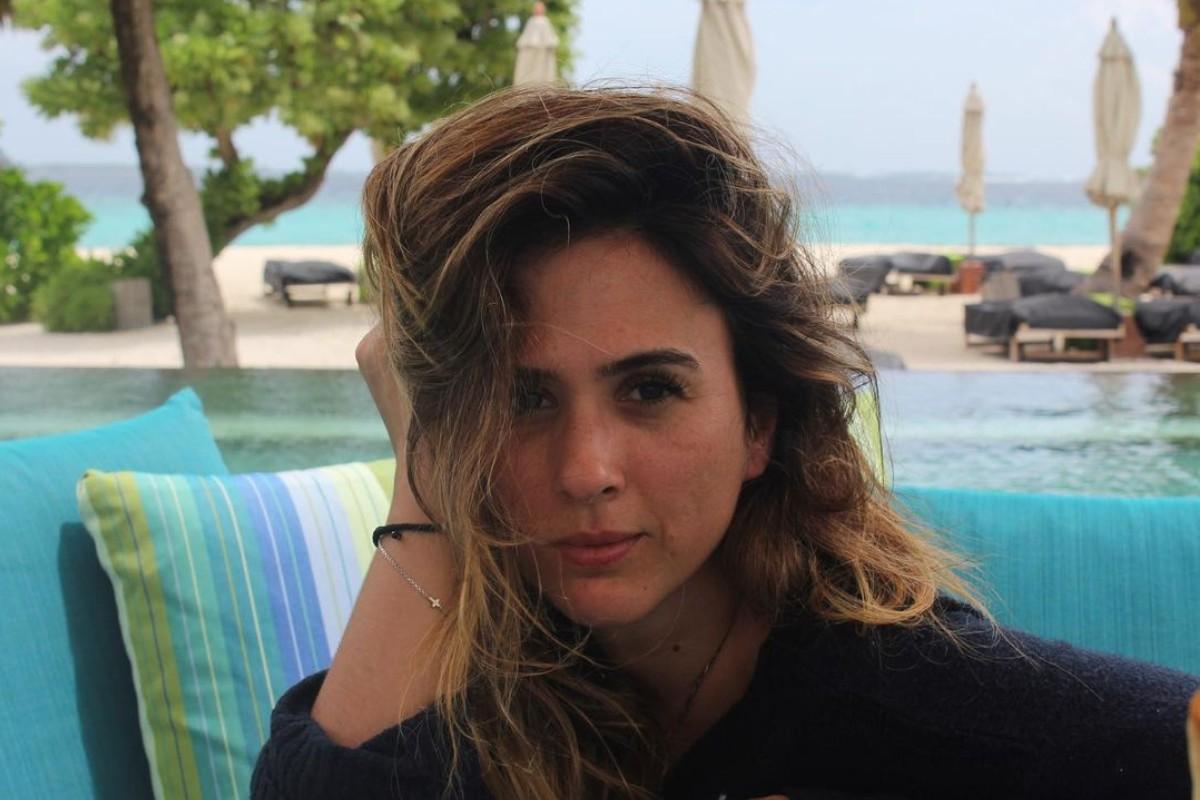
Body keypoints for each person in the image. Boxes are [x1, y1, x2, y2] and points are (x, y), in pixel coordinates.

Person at [251, 86, 1200, 800]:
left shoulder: (932, 716)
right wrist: (427, 484)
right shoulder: (490, 683)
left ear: (759, 422)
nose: (586, 471)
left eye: (650, 390)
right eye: (519, 398)